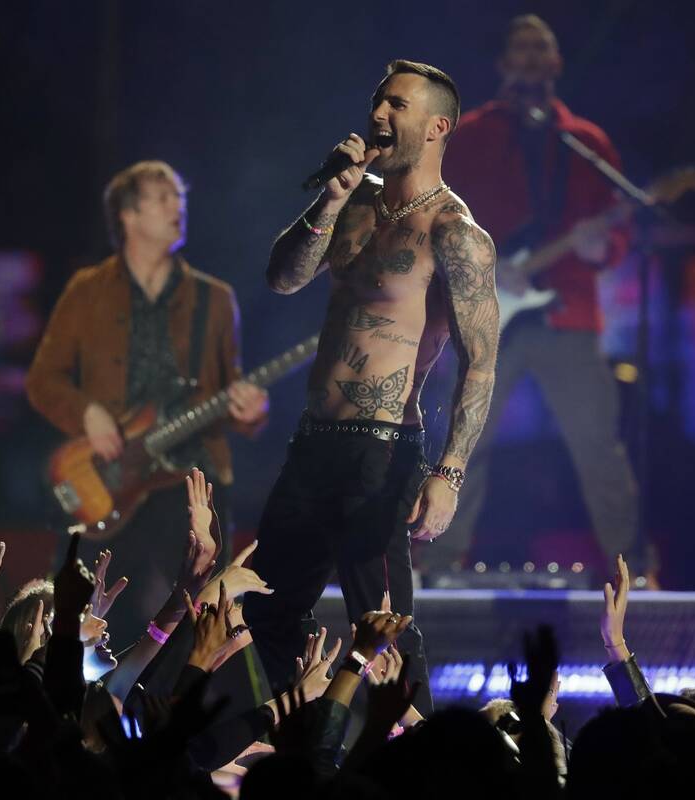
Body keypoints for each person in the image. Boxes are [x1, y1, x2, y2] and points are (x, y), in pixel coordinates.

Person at [245, 60, 500, 715]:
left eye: (397, 105)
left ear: (438, 126)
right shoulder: (355, 202)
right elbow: (282, 278)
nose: (379, 115)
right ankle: (288, 751)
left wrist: (450, 471)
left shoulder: (456, 232)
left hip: (382, 450)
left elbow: (481, 363)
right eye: (377, 102)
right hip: (314, 442)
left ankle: (411, 761)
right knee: (267, 612)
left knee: (382, 629)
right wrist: (330, 198)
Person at [436, 14, 651, 584]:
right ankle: (432, 566)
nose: (531, 59)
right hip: (487, 310)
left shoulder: (587, 142)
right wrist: (486, 266)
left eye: (542, 49)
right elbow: (440, 218)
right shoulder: (472, 136)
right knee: (462, 441)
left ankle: (634, 576)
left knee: (598, 448)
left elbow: (619, 231)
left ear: (557, 63)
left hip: (568, 312)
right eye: (521, 49)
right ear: (504, 63)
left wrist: (602, 245)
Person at [26, 160, 269, 644]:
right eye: (162, 198)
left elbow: (233, 390)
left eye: (179, 197)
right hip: (111, 480)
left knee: (200, 622)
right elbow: (42, 381)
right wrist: (87, 413)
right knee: (72, 620)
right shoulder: (88, 290)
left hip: (191, 481)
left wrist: (252, 412)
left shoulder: (214, 299)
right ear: (128, 215)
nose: (177, 207)